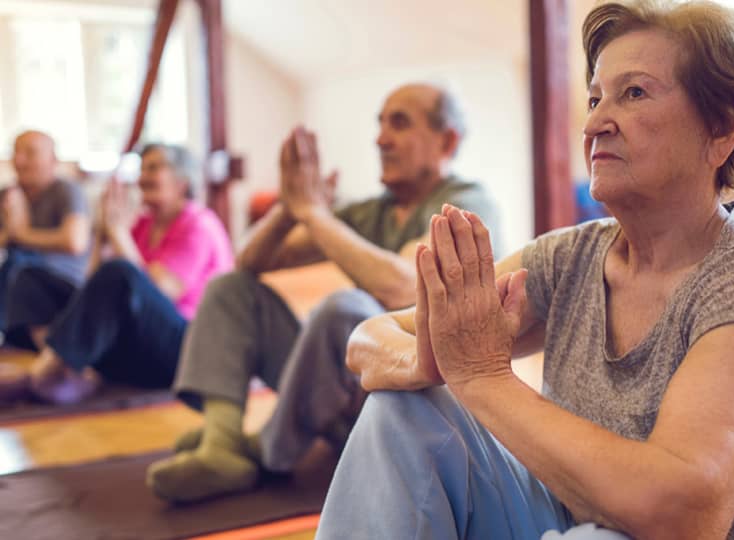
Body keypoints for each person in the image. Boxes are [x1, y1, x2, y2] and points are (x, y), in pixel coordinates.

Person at [321, 2, 734, 539]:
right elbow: (368, 337)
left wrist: (481, 376)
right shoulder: (572, 257)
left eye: (634, 93)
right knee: (401, 412)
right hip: (578, 524)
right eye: (596, 97)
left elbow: (682, 516)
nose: (596, 122)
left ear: (720, 130)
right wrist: (435, 356)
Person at [146, 83, 503, 503]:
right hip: (348, 397)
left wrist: (315, 214)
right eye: (381, 124)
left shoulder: (465, 204)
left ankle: (265, 451)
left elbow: (402, 286)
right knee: (231, 289)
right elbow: (248, 261)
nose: (381, 139)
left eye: (399, 124)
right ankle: (221, 444)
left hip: (416, 411)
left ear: (447, 141)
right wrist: (290, 208)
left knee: (347, 310)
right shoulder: (372, 210)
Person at [2, 143, 233, 404]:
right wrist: (103, 233)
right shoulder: (145, 224)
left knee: (121, 272)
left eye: (154, 168)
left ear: (182, 180)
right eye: (142, 168)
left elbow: (158, 291)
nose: (142, 177)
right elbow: (95, 284)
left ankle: (47, 375)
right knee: (31, 278)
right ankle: (70, 369)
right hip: (142, 347)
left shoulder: (198, 224)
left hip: (190, 352)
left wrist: (119, 233)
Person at [0, 131, 91, 349]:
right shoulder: (9, 195)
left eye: (29, 153)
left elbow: (74, 242)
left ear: (53, 160)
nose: (20, 160)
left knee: (18, 263)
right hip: (16, 291)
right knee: (14, 262)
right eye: (16, 152)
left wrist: (19, 233)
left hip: (62, 287)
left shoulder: (66, 191)